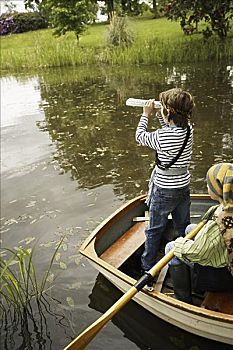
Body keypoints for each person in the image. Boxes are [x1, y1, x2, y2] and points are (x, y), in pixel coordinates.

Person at [135, 88, 195, 290]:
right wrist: (163, 114)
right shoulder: (188, 129)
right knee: (183, 225)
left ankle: (147, 268)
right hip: (183, 186)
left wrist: (145, 115)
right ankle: (184, 257)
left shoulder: (163, 137)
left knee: (154, 230)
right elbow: (170, 129)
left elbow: (140, 136)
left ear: (168, 112)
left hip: (164, 190)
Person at [165, 162, 233, 303]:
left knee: (171, 248)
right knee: (190, 229)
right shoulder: (227, 207)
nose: (207, 187)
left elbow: (197, 252)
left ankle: (183, 299)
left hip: (223, 277)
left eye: (209, 185)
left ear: (219, 190)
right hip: (227, 256)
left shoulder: (218, 225)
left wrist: (179, 243)